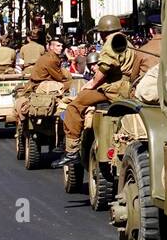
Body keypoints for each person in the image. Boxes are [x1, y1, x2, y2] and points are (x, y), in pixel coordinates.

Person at [62, 16, 146, 166]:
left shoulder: (111, 43)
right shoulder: (125, 41)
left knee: (74, 106)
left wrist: (92, 83)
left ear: (102, 33)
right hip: (125, 87)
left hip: (113, 88)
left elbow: (105, 67)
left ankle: (72, 151)